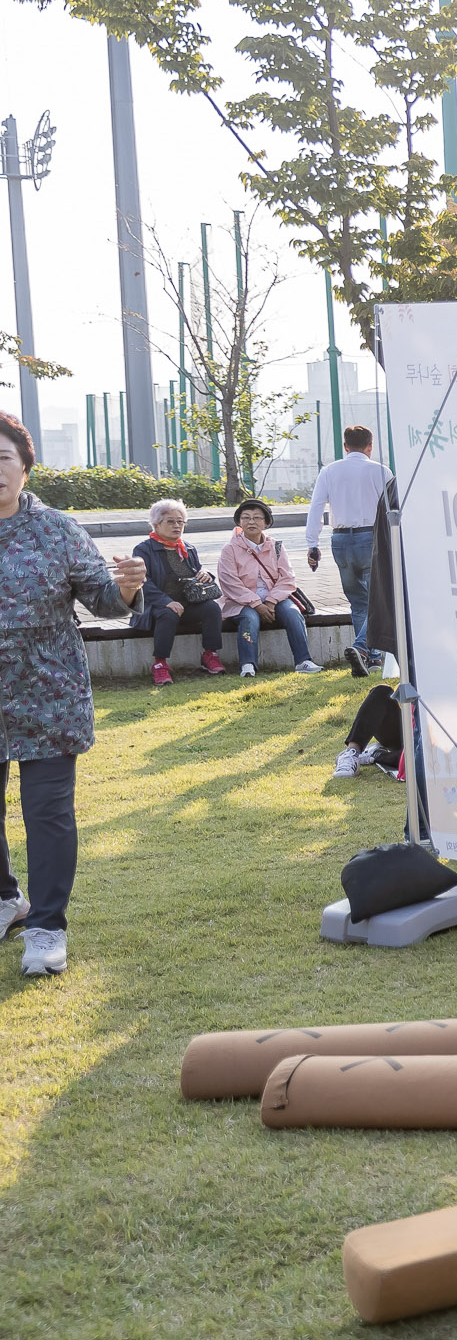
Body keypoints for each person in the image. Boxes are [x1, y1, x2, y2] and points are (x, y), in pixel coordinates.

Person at [0, 412, 147, 975]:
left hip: (47, 695)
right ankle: (8, 900)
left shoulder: (56, 529)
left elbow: (103, 600)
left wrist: (127, 588)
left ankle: (46, 927)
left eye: (4, 459)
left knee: (47, 813)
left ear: (25, 469)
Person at [303, 424, 389, 673]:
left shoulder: (329, 471)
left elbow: (316, 508)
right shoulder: (381, 471)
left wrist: (312, 544)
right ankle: (363, 648)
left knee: (358, 602)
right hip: (371, 537)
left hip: (340, 540)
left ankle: (372, 657)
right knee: (379, 600)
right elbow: (392, 508)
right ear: (370, 446)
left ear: (345, 446)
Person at [216, 498, 317, 676]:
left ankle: (303, 661)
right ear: (239, 522)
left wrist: (270, 602)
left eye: (257, 518)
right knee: (250, 618)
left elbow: (287, 578)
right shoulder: (229, 549)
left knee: (293, 612)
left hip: (275, 599)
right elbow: (229, 582)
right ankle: (248, 665)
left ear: (266, 522)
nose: (251, 522)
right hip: (242, 602)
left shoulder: (276, 546)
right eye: (246, 517)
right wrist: (256, 603)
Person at [134, 499, 226, 684]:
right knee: (168, 613)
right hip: (155, 607)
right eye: (170, 521)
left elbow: (196, 572)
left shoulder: (188, 549)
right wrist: (165, 601)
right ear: (156, 524)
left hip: (187, 603)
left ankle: (210, 654)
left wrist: (205, 574)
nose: (176, 526)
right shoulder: (144, 549)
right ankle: (160, 664)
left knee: (212, 608)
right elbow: (142, 581)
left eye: (180, 521)